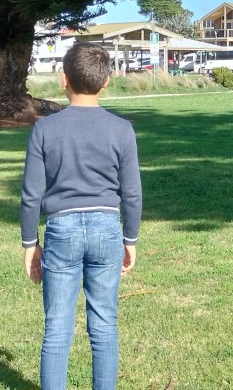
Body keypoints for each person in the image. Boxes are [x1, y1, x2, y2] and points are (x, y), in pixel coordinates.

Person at [20, 43, 143, 390]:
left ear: (64, 80)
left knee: (57, 327)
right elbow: (131, 193)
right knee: (104, 324)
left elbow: (31, 194)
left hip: (62, 229)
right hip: (107, 228)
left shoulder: (45, 129)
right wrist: (129, 238)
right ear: (107, 82)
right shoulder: (122, 129)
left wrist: (31, 243)